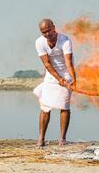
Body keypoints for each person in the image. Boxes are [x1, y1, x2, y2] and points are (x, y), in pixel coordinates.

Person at [33, 19, 76, 147]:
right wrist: (58, 79)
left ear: (54, 27)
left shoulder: (65, 40)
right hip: (51, 75)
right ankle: (41, 139)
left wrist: (73, 79)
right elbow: (47, 63)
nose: (47, 34)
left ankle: (62, 139)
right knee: (45, 107)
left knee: (65, 107)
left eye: (49, 30)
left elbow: (69, 62)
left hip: (67, 73)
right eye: (44, 32)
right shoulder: (39, 42)